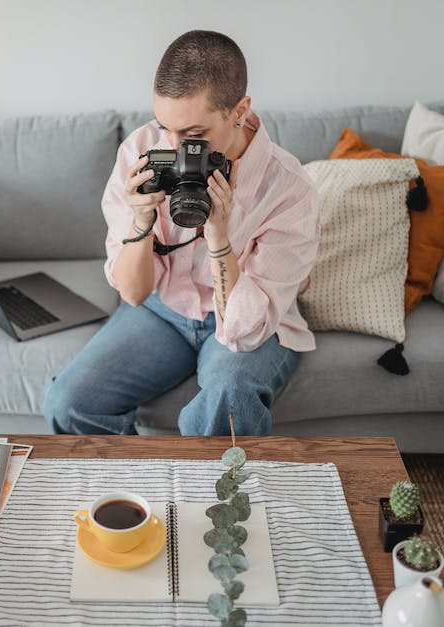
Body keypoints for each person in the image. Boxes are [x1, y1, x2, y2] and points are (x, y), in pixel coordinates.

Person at [42, 30, 320, 436]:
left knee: (230, 396)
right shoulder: (141, 151)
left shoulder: (289, 188)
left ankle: (203, 494)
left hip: (249, 317)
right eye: (164, 128)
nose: (174, 147)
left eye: (193, 136)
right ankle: (139, 489)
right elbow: (134, 294)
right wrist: (141, 221)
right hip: (163, 309)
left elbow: (243, 332)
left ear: (239, 110)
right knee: (69, 403)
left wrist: (219, 238)